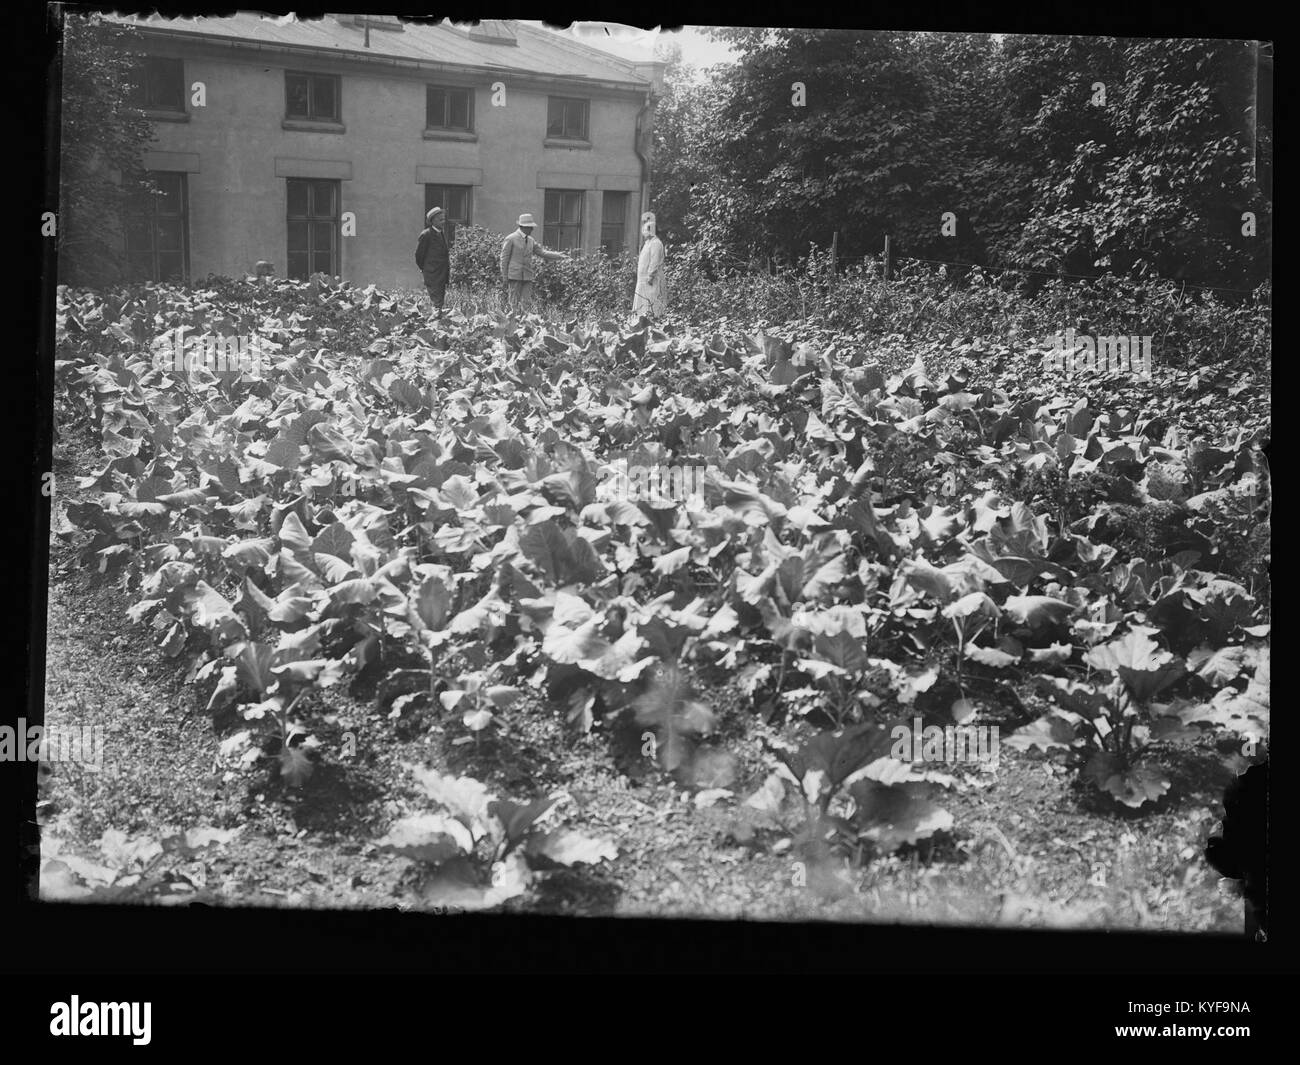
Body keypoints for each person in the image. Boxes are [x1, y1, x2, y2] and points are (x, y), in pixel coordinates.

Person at [500, 213, 568, 313]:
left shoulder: (531, 240)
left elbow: (542, 252)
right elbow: (504, 259)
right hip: (514, 276)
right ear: (523, 227)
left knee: (526, 303)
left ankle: (525, 324)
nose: (532, 229)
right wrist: (505, 276)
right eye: (530, 227)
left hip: (527, 275)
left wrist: (559, 255)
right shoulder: (511, 238)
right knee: (513, 303)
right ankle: (513, 324)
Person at [415, 206, 452, 314]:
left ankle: (437, 323)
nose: (443, 222)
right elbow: (419, 255)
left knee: (439, 302)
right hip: (432, 274)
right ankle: (434, 323)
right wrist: (425, 269)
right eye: (440, 220)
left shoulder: (441, 233)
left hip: (442, 274)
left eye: (444, 219)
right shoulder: (426, 234)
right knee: (436, 302)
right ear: (433, 221)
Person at [632, 212, 667, 318]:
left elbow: (654, 262)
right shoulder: (648, 243)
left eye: (645, 230)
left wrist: (650, 276)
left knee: (651, 302)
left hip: (651, 280)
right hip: (642, 279)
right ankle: (640, 321)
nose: (643, 232)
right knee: (642, 302)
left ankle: (652, 321)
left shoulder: (656, 243)